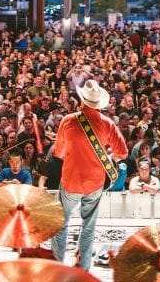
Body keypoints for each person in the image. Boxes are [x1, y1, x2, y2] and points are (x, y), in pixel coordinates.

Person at [52, 80, 128, 272]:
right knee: (88, 228)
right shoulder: (107, 123)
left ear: (81, 100)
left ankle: (57, 269)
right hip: (95, 183)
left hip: (71, 181)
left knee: (61, 225)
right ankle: (84, 270)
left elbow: (58, 153)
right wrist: (109, 156)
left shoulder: (68, 121)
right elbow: (123, 153)